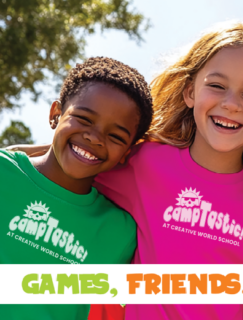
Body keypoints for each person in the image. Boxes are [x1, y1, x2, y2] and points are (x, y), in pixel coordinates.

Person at [93, 22, 243, 320]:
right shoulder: (145, 163)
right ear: (190, 92)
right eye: (216, 86)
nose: (231, 104)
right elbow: (69, 169)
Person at [0, 56, 152, 319]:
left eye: (115, 136)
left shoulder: (120, 231)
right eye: (83, 119)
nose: (94, 138)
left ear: (127, 151)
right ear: (55, 114)